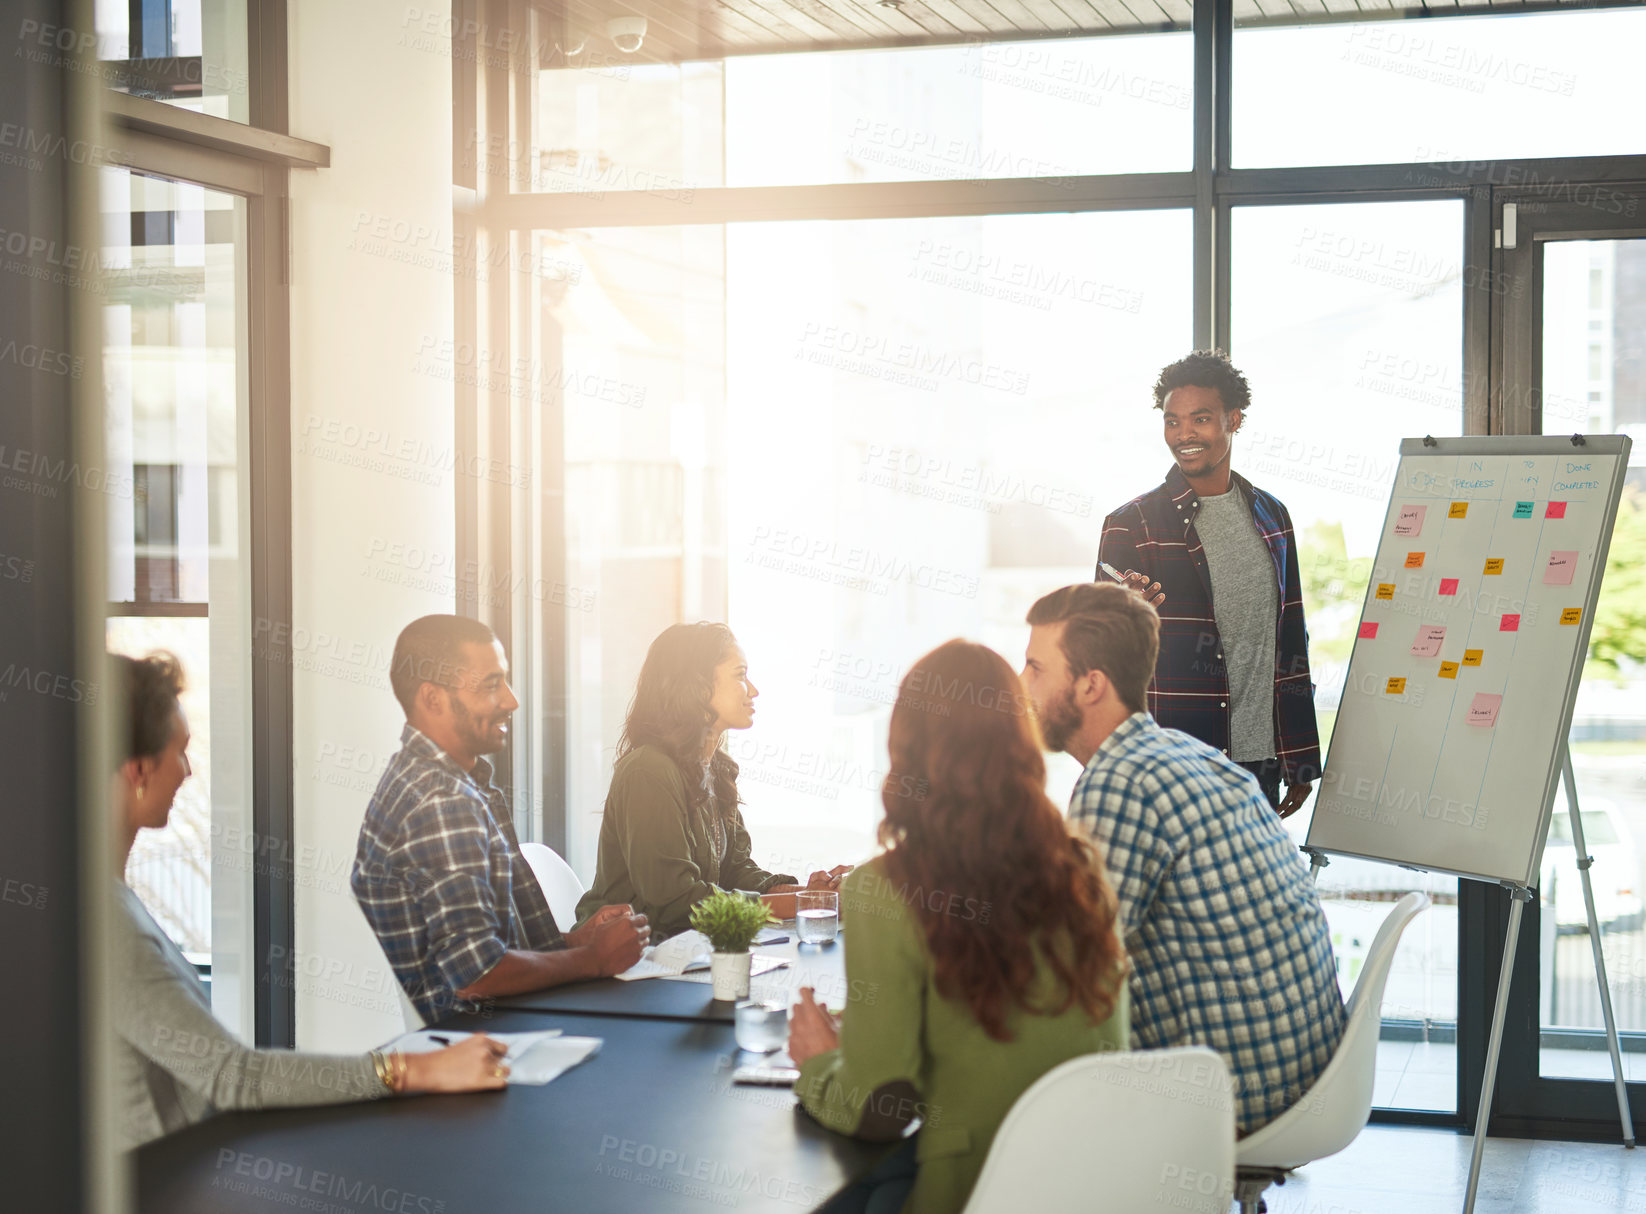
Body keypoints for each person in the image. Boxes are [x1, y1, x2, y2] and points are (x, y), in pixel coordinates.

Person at [111, 651, 510, 1152]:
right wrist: (418, 1069)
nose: (187, 771)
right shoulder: (104, 926)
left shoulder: (110, 905)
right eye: (180, 752)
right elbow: (233, 1076)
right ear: (139, 770)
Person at [788, 640, 1130, 1214]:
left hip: (973, 1192)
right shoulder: (1081, 868)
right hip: (1094, 1188)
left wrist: (819, 1060)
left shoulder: (885, 888)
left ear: (905, 748)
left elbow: (881, 1108)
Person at [1020, 583, 1344, 1135]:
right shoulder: (1185, 755)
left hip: (1235, 1096)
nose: (1020, 684)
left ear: (1090, 685)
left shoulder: (1118, 785)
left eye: (1034, 668)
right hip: (1309, 1074)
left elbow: (1068, 973)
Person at [353, 615, 648, 1024]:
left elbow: (483, 949)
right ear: (433, 699)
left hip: (516, 1027)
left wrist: (575, 943)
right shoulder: (441, 801)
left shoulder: (442, 780)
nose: (511, 700)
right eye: (491, 685)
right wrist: (591, 959)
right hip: (500, 1048)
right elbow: (476, 975)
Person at [1098, 350, 1320, 815]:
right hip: (1170, 763)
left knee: (1250, 891)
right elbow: (1097, 655)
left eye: (1200, 419)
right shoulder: (1130, 524)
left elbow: (1290, 635)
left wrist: (1299, 757)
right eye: (1172, 421)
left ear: (1233, 419)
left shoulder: (1272, 516)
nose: (1184, 435)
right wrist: (1125, 616)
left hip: (1258, 766)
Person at [575, 622, 851, 938]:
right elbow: (676, 902)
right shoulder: (648, 771)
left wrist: (805, 892)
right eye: (739, 675)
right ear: (696, 685)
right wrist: (804, 904)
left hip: (683, 955)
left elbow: (736, 872)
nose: (753, 690)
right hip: (628, 964)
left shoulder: (715, 770)